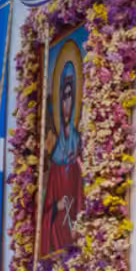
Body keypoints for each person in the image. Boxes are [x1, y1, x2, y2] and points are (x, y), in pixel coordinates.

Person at [40, 40, 85, 258]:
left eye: (71, 95)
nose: (67, 103)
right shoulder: (56, 153)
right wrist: (57, 206)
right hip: (58, 229)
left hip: (77, 224)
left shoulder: (80, 145)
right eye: (64, 96)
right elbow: (46, 210)